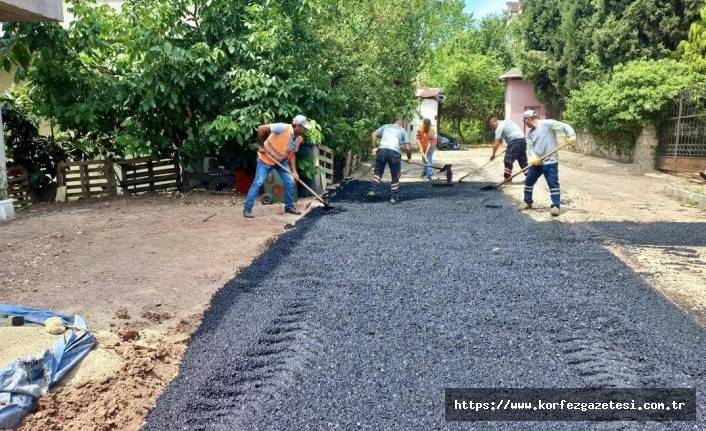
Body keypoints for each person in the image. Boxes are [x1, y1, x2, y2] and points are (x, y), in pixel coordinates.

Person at [243, 115, 311, 218]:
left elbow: (292, 154)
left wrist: (294, 171)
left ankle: (289, 207)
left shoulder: (298, 139)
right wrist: (262, 146)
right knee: (258, 182)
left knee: (290, 180)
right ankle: (247, 209)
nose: (305, 130)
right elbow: (262, 128)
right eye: (303, 127)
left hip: (280, 161)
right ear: (297, 125)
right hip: (265, 159)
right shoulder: (283, 127)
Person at [519, 110, 576, 217]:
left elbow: (564, 126)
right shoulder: (531, 133)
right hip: (537, 163)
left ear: (528, 119)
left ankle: (555, 206)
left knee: (553, 184)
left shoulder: (548, 124)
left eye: (525, 121)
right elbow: (530, 147)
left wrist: (572, 136)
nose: (525, 123)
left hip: (550, 161)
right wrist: (534, 156)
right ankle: (527, 202)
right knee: (529, 181)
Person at [368, 118, 412, 203]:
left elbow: (373, 134)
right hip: (394, 153)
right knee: (395, 174)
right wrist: (409, 158)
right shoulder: (402, 130)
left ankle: (372, 191)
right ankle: (394, 197)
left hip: (382, 150)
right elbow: (408, 147)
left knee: (378, 172)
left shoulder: (386, 126)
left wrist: (374, 148)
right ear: (401, 123)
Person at [489, 117, 528, 181]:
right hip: (522, 140)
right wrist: (511, 146)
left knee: (508, 160)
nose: (493, 127)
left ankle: (507, 178)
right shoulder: (507, 121)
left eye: (492, 125)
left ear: (494, 122)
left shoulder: (499, 127)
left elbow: (496, 144)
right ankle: (529, 177)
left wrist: (493, 155)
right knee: (522, 160)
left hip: (514, 142)